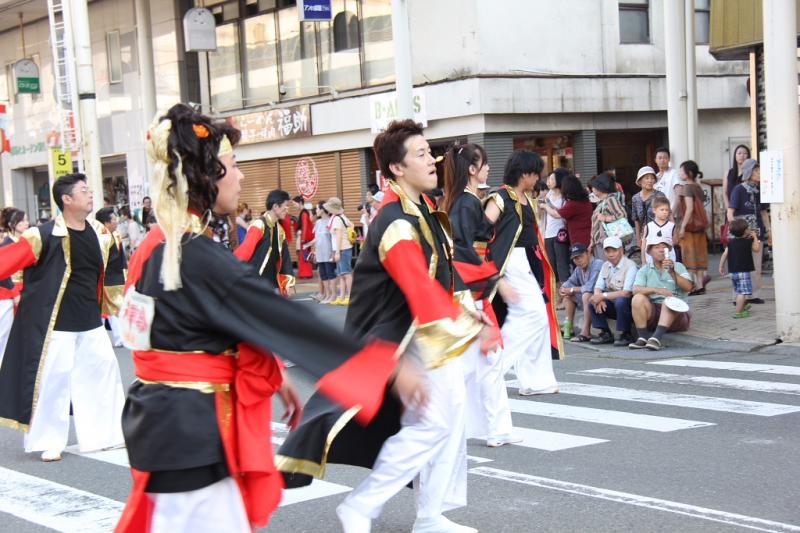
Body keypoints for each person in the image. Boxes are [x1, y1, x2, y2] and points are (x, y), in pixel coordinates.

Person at [114, 105, 423, 533]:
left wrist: (274, 376)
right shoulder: (194, 255)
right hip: (191, 431)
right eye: (234, 165)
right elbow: (279, 317)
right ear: (209, 174)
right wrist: (381, 367)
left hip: (170, 425)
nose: (240, 177)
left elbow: (208, 326)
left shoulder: (161, 245)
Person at [278, 119, 495, 533]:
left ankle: (428, 515)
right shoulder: (395, 220)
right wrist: (469, 323)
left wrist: (471, 311)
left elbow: (441, 275)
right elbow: (415, 283)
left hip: (422, 333)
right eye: (420, 153)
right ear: (396, 168)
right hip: (397, 341)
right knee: (435, 423)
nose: (432, 160)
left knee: (445, 421)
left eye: (430, 151)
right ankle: (363, 506)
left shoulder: (423, 211)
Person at [0, 173, 125, 462]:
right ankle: (49, 440)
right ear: (67, 199)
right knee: (52, 381)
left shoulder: (101, 234)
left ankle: (104, 435)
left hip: (91, 320)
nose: (91, 194)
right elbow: (6, 263)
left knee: (103, 373)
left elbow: (114, 273)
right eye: (84, 190)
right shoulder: (42, 235)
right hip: (55, 323)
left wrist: (119, 305)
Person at [442, 143, 515, 448]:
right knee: (489, 361)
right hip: (470, 289)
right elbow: (462, 250)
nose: (487, 168)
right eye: (483, 164)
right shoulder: (465, 203)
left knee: (475, 364)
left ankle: (477, 427)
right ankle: (494, 429)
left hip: (469, 287)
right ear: (472, 170)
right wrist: (491, 279)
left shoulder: (466, 201)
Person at [484, 150, 563, 397]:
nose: (538, 178)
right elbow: (482, 230)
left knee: (538, 318)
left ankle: (534, 380)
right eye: (535, 173)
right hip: (509, 263)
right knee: (531, 315)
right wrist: (493, 271)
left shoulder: (527, 198)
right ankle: (493, 368)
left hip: (528, 261)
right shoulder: (499, 197)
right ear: (524, 173)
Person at [629, 237, 694, 351]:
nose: (661, 250)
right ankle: (643, 338)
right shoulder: (644, 270)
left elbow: (688, 287)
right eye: (656, 247)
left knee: (668, 301)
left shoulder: (678, 266)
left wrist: (672, 272)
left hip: (677, 314)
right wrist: (656, 290)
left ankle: (656, 338)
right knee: (637, 298)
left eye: (664, 247)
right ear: (649, 252)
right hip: (654, 312)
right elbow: (635, 289)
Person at [234, 189, 295, 296]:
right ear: (275, 207)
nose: (287, 210)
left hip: (274, 285)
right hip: (257, 284)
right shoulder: (259, 225)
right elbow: (244, 252)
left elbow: (285, 258)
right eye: (285, 206)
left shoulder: (280, 231)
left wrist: (287, 283)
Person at [728, 159, 771, 304]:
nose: (759, 174)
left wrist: (769, 231)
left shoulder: (761, 190)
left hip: (757, 232)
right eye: (757, 171)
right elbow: (730, 212)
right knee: (740, 265)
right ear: (748, 172)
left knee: (756, 265)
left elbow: (764, 212)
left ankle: (753, 295)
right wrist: (736, 230)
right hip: (742, 233)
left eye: (760, 171)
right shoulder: (738, 189)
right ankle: (738, 296)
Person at [588, 236, 638, 346]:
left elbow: (627, 292)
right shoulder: (605, 265)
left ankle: (626, 334)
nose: (611, 254)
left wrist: (603, 296)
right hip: (613, 304)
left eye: (614, 250)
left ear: (621, 250)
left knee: (622, 300)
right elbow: (598, 287)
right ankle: (605, 333)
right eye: (607, 251)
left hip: (628, 307)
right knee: (592, 301)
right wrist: (598, 298)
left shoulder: (630, 266)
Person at [675, 160, 709, 295]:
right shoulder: (698, 187)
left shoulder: (687, 187)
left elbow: (689, 209)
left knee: (689, 256)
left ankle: (693, 286)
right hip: (700, 227)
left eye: (681, 170)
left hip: (690, 227)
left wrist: (682, 227)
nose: (679, 173)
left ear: (688, 173)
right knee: (700, 255)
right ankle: (700, 285)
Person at [95, 207, 127, 347]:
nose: (116, 221)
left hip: (118, 275)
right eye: (114, 219)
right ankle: (118, 338)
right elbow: (101, 260)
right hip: (107, 278)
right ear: (106, 223)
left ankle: (119, 337)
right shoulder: (102, 237)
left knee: (113, 309)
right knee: (112, 309)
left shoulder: (116, 235)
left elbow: (122, 258)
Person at [0, 207, 28, 364]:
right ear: (13, 224)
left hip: (25, 290)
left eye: (26, 220)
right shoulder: (6, 244)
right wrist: (14, 293)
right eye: (22, 220)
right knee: (5, 333)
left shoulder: (25, 242)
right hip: (8, 292)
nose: (26, 223)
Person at [559, 243, 603, 343]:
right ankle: (568, 327)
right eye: (575, 259)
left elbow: (590, 287)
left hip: (602, 299)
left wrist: (571, 289)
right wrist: (563, 288)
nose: (578, 261)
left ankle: (586, 332)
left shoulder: (597, 264)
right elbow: (569, 282)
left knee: (586, 295)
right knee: (567, 296)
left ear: (588, 253)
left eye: (580, 256)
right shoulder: (579, 268)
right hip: (589, 300)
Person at [719, 218, 761, 319]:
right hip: (743, 272)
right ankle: (738, 312)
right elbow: (757, 249)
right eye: (747, 228)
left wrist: (721, 266)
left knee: (739, 291)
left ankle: (743, 307)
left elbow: (725, 254)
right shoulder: (748, 242)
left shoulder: (731, 242)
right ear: (745, 231)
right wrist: (755, 237)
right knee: (742, 293)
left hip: (733, 272)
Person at [541, 168, 571, 284]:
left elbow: (561, 214)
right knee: (551, 263)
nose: (549, 181)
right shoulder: (548, 194)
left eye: (552, 179)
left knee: (561, 262)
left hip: (560, 233)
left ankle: (565, 288)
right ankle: (555, 288)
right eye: (548, 179)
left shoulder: (565, 197)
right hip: (548, 233)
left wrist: (547, 206)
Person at [546, 174, 593, 249]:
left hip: (580, 241)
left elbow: (556, 215)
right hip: (586, 237)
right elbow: (563, 212)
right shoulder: (584, 201)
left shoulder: (573, 204)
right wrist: (551, 206)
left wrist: (544, 206)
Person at [589, 172, 628, 259]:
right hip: (600, 242)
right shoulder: (602, 201)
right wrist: (592, 242)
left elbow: (622, 215)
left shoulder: (610, 199)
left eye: (594, 186)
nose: (592, 189)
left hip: (608, 243)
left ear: (600, 187)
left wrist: (606, 218)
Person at [325, 196, 354, 305]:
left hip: (342, 249)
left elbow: (338, 236)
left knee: (346, 274)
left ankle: (349, 296)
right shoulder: (342, 216)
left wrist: (336, 252)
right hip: (344, 248)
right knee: (342, 274)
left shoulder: (336, 219)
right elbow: (351, 225)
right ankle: (342, 296)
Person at [307, 202, 336, 304]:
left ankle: (333, 295)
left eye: (318, 209)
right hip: (320, 252)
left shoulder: (330, 221)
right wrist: (309, 245)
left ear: (323, 210)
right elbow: (317, 238)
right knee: (323, 274)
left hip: (328, 251)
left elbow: (333, 238)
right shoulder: (318, 222)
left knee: (330, 273)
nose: (316, 211)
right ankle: (327, 294)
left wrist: (334, 252)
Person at [631, 166, 666, 249]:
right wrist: (638, 239)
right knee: (646, 261)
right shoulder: (635, 198)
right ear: (640, 181)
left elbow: (667, 215)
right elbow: (636, 220)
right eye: (647, 178)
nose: (650, 181)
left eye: (652, 178)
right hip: (644, 237)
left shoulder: (660, 196)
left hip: (660, 236)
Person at [641, 195, 676, 265]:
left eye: (667, 210)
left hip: (668, 262)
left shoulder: (672, 226)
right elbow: (644, 245)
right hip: (651, 262)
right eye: (662, 210)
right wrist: (643, 261)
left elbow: (674, 243)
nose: (665, 212)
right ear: (654, 210)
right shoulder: (648, 226)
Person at [723, 144, 751, 210]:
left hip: (746, 210)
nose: (742, 155)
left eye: (745, 153)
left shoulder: (751, 173)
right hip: (731, 210)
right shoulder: (728, 173)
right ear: (735, 156)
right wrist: (728, 209)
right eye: (739, 153)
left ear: (748, 156)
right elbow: (725, 193)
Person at [654, 147, 681, 212]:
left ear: (669, 159)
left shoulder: (673, 173)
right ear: (655, 160)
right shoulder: (655, 176)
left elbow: (679, 195)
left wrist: (672, 213)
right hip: (659, 215)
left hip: (671, 214)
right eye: (660, 158)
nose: (662, 160)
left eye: (665, 158)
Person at [294, 196, 314, 279]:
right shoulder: (304, 212)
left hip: (304, 238)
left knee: (304, 256)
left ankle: (305, 274)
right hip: (305, 237)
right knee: (304, 256)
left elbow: (305, 226)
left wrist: (303, 239)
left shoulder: (304, 213)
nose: (294, 206)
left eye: (295, 204)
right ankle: (305, 273)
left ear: (300, 203)